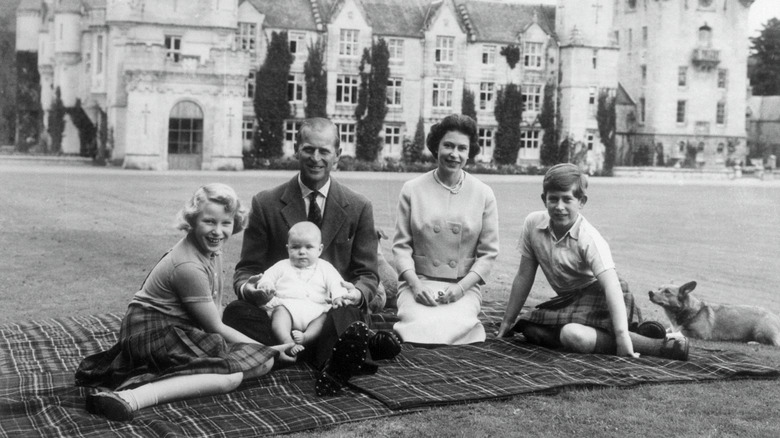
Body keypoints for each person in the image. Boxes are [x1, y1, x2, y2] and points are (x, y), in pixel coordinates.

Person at [75, 184, 293, 422]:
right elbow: (215, 327)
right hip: (151, 333)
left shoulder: (212, 251)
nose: (218, 231)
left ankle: (169, 377)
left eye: (226, 223)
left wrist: (261, 351)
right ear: (192, 220)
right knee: (232, 376)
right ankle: (130, 397)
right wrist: (268, 348)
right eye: (209, 221)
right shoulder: (188, 266)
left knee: (261, 363)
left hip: (178, 330)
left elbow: (216, 310)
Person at [223, 117, 401, 396]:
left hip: (331, 312)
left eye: (324, 151)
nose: (315, 158)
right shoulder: (266, 203)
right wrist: (251, 288)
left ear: (337, 155)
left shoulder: (358, 206)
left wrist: (356, 293)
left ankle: (301, 354)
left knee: (350, 313)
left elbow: (367, 274)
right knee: (235, 313)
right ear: (296, 149)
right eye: (308, 149)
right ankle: (342, 353)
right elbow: (246, 270)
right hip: (279, 312)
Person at [496, 163, 689, 360]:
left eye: (567, 199)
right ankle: (639, 332)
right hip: (568, 301)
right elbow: (524, 276)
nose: (559, 207)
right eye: (553, 199)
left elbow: (612, 285)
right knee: (529, 329)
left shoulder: (589, 238)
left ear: (581, 201)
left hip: (603, 295)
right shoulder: (533, 224)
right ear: (543, 199)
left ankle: (661, 345)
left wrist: (622, 337)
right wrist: (507, 321)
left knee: (572, 335)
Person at [392, 113, 499, 344]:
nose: (454, 154)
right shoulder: (412, 190)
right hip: (419, 283)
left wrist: (461, 288)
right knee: (421, 326)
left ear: (469, 152)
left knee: (454, 327)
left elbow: (489, 254)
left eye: (462, 148)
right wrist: (416, 285)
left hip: (462, 286)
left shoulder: (483, 193)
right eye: (448, 145)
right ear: (436, 147)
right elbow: (401, 247)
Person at [259, 221, 350, 356]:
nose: (302, 252)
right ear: (288, 248)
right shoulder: (282, 266)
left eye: (309, 247)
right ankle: (287, 341)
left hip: (316, 310)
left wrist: (338, 296)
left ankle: (306, 337)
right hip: (287, 307)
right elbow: (267, 277)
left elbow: (336, 283)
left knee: (324, 318)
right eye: (295, 247)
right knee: (279, 314)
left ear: (319, 249)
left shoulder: (325, 267)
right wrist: (266, 284)